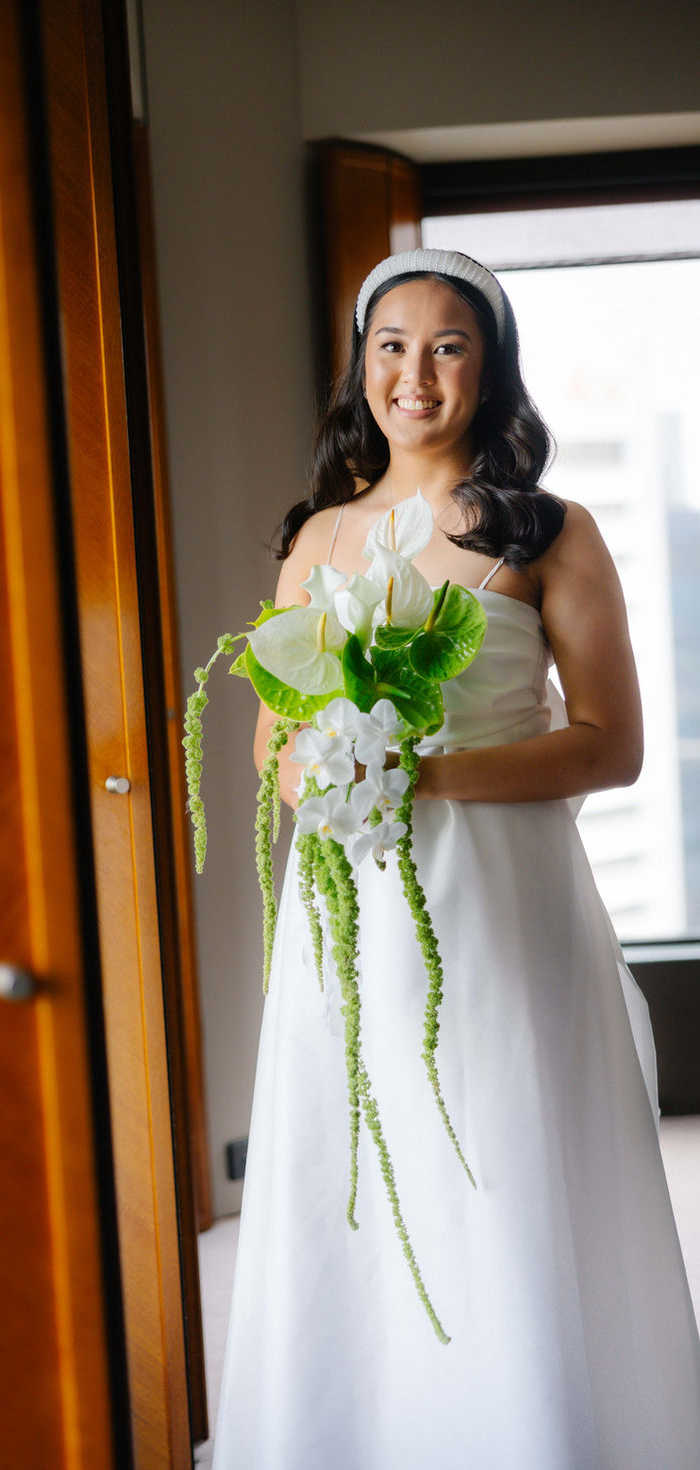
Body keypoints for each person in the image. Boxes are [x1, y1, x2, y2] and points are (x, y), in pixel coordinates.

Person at [211, 249, 700, 1469]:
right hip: (355, 915)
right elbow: (273, 751)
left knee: (496, 1160)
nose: (413, 374)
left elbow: (611, 746)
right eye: (390, 345)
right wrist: (320, 776)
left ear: (488, 371)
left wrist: (422, 775)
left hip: (501, 907)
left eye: (446, 347)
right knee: (362, 1170)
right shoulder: (318, 536)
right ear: (358, 366)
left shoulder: (549, 531)